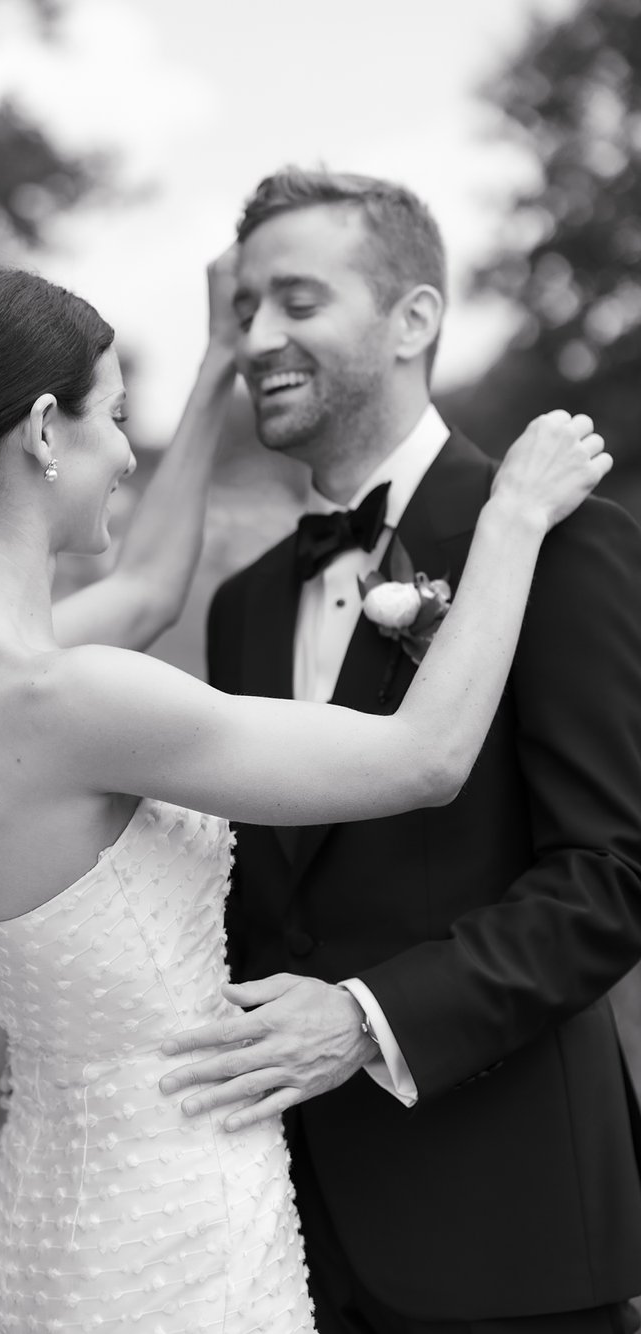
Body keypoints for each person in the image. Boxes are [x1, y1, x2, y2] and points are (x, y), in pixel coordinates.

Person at [0, 258, 609, 1334]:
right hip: (174, 1224)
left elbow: (153, 587)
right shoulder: (66, 697)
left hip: (60, 1199)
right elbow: (426, 754)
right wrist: (513, 517)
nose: (124, 453)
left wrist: (213, 360)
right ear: (41, 431)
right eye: (114, 417)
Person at [161, 169, 641, 1334]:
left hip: (507, 1228)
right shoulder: (238, 608)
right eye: (243, 311)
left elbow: (610, 875)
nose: (257, 339)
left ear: (412, 318)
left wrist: (365, 1016)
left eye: (298, 301)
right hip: (284, 1237)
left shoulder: (551, 533)